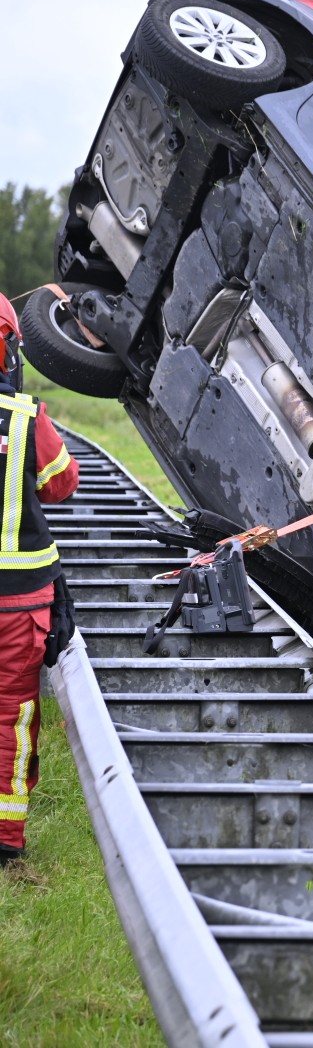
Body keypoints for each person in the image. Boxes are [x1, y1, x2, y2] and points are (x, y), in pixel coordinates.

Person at [1, 294, 81, 864]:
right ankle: (5, 839)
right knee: (12, 715)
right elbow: (61, 483)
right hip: (18, 605)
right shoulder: (26, 416)